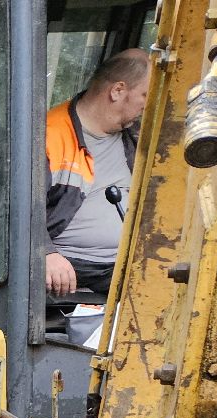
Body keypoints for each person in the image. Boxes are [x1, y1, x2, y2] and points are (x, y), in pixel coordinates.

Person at [46, 49, 150, 298]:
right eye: (145, 95)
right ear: (117, 91)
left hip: (124, 266)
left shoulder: (138, 136)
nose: (148, 105)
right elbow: (12, 211)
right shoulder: (49, 135)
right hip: (69, 267)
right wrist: (44, 253)